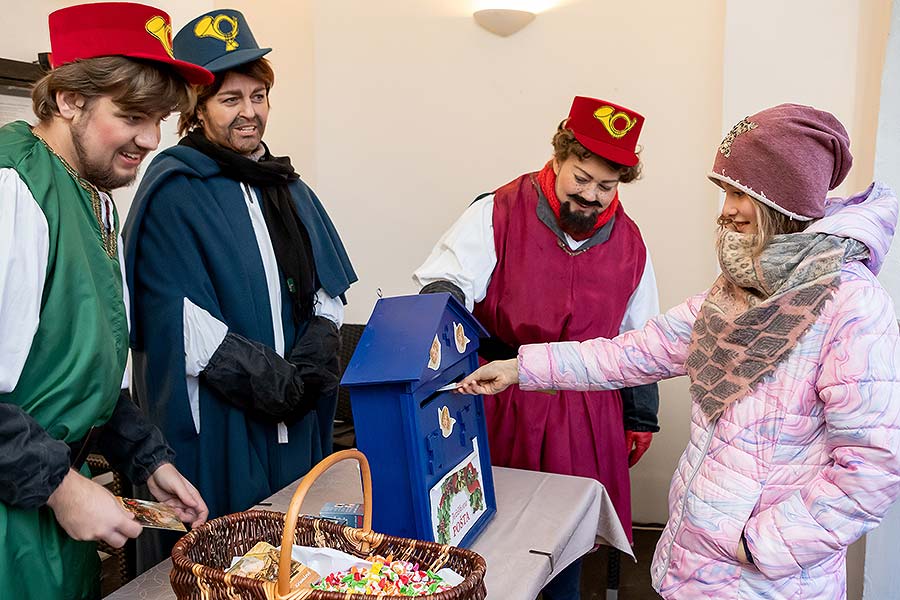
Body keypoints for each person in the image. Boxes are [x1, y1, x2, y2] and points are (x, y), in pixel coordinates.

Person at [458, 104, 900, 599]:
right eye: (725, 192)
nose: (726, 208)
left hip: (767, 580)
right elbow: (632, 353)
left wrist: (762, 546)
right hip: (695, 568)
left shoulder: (853, 306)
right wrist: (520, 367)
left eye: (739, 193)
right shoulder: (740, 288)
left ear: (781, 200)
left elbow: (872, 465)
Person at [0, 3, 213, 598]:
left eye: (161, 119)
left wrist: (148, 461)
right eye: (132, 116)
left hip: (49, 508)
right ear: (68, 99)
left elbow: (87, 377)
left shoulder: (95, 201)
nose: (150, 139)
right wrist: (62, 487)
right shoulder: (11, 187)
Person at [414, 96, 660, 599]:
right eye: (581, 178)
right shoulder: (499, 210)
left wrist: (639, 416)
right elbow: (444, 286)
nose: (591, 196)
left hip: (584, 405)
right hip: (502, 393)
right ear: (557, 158)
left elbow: (641, 336)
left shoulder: (631, 242)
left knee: (564, 533)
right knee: (492, 530)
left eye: (606, 186)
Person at [123, 9, 357, 522]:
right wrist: (269, 381)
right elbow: (174, 314)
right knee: (229, 557)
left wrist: (310, 360)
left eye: (258, 96)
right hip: (225, 419)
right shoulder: (174, 190)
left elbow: (329, 287)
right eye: (230, 100)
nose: (248, 113)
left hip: (297, 421)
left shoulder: (287, 186)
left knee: (301, 549)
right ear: (197, 110)